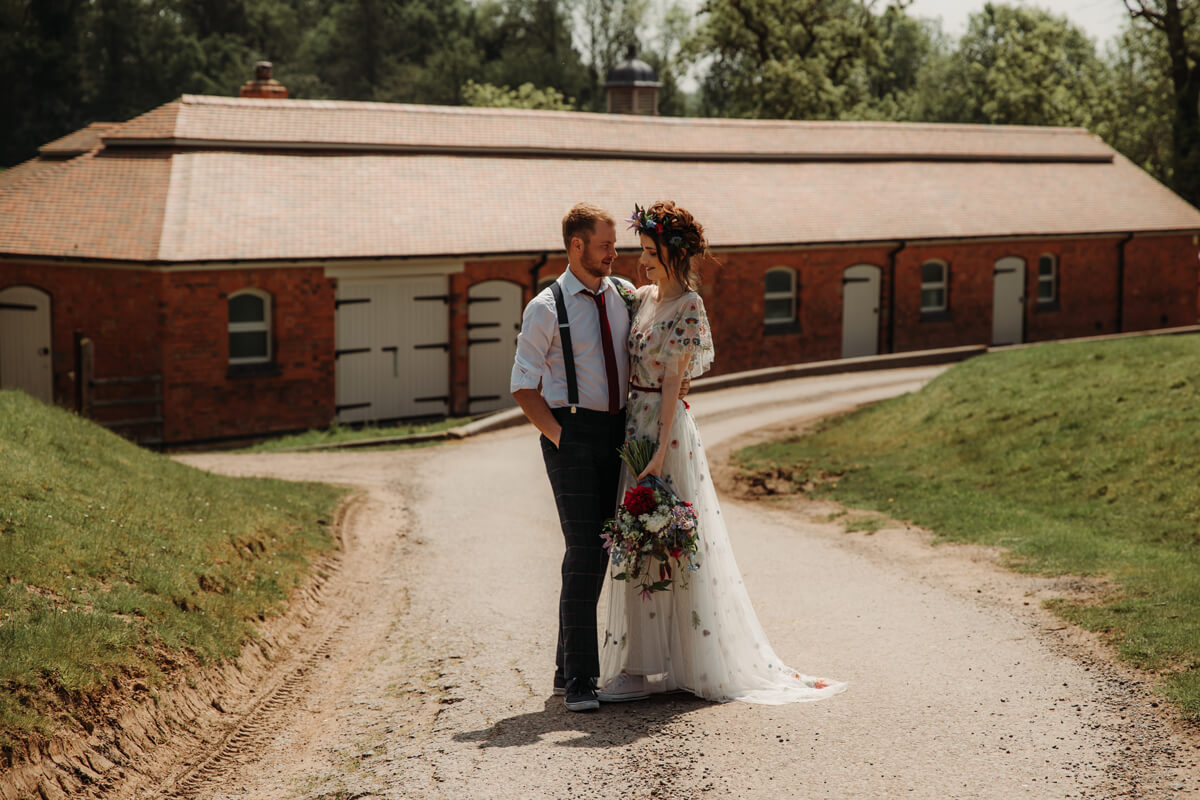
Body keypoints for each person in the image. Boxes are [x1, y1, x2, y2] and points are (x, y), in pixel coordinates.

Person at [597, 201, 847, 705]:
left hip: (664, 434)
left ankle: (687, 660)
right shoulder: (639, 296)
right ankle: (640, 664)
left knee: (668, 540)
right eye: (641, 250)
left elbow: (672, 383)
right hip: (634, 425)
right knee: (637, 543)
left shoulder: (688, 306)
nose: (642, 261)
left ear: (676, 255)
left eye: (651, 253)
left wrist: (659, 456)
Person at [509, 203, 634, 713]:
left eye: (614, 245)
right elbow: (522, 386)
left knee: (604, 548)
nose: (613, 252)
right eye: (605, 244)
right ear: (576, 245)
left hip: (620, 431)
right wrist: (562, 439)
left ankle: (566, 669)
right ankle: (581, 678)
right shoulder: (545, 307)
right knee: (584, 550)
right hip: (573, 433)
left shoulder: (623, 294)